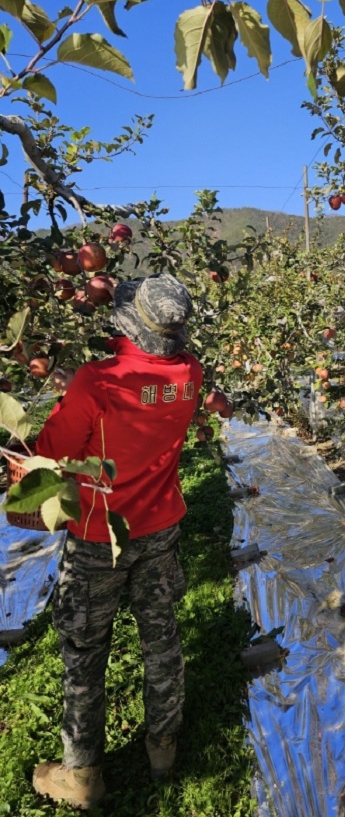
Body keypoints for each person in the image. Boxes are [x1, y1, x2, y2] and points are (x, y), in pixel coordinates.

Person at [32, 273, 205, 810]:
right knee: (161, 639)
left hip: (95, 536)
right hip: (158, 526)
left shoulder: (98, 380)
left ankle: (82, 773)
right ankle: (163, 746)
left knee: (85, 652)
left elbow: (53, 452)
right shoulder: (190, 373)